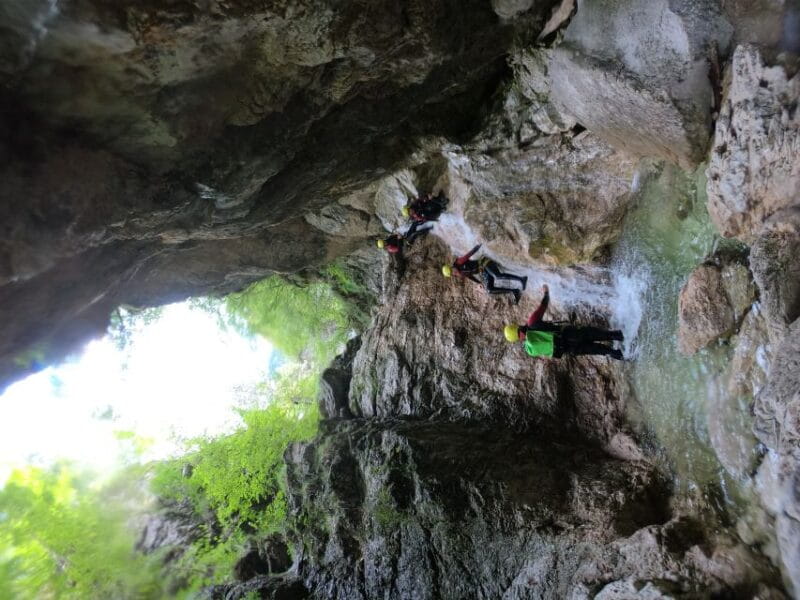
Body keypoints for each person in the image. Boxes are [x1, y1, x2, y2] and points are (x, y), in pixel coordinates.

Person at [503, 285, 624, 360]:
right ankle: (622, 336)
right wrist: (546, 291)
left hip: (568, 350)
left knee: (599, 350)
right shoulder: (532, 322)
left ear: (517, 339)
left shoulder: (530, 349)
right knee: (601, 335)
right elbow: (544, 303)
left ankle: (623, 355)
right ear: (517, 326)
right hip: (570, 334)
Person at [442, 244, 527, 303]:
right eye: (452, 274)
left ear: (451, 267)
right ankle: (514, 291)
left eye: (452, 271)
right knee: (490, 290)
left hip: (483, 262)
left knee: (497, 276)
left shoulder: (459, 263)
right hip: (483, 270)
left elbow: (468, 255)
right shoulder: (459, 273)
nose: (454, 273)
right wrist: (479, 283)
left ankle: (521, 279)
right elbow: (470, 276)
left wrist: (478, 246)